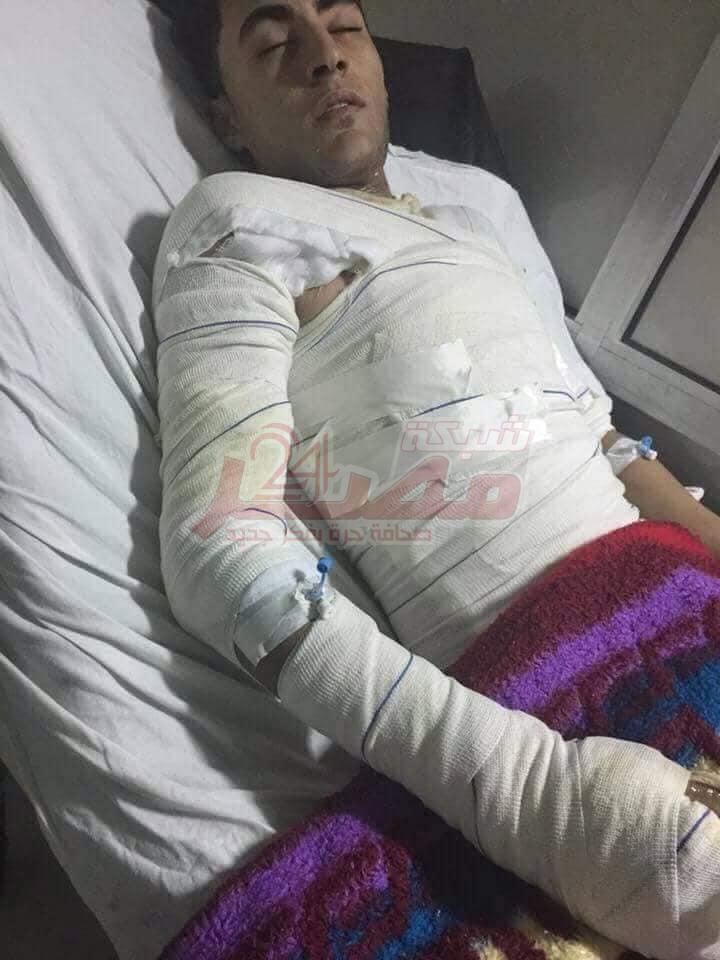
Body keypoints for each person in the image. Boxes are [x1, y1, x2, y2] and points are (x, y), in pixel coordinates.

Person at [153, 0, 720, 956]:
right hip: (535, 675)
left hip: (670, 579)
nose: (324, 58)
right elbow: (220, 541)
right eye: (274, 42)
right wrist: (536, 799)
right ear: (228, 117)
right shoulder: (235, 222)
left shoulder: (475, 223)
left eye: (344, 26)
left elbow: (604, 437)